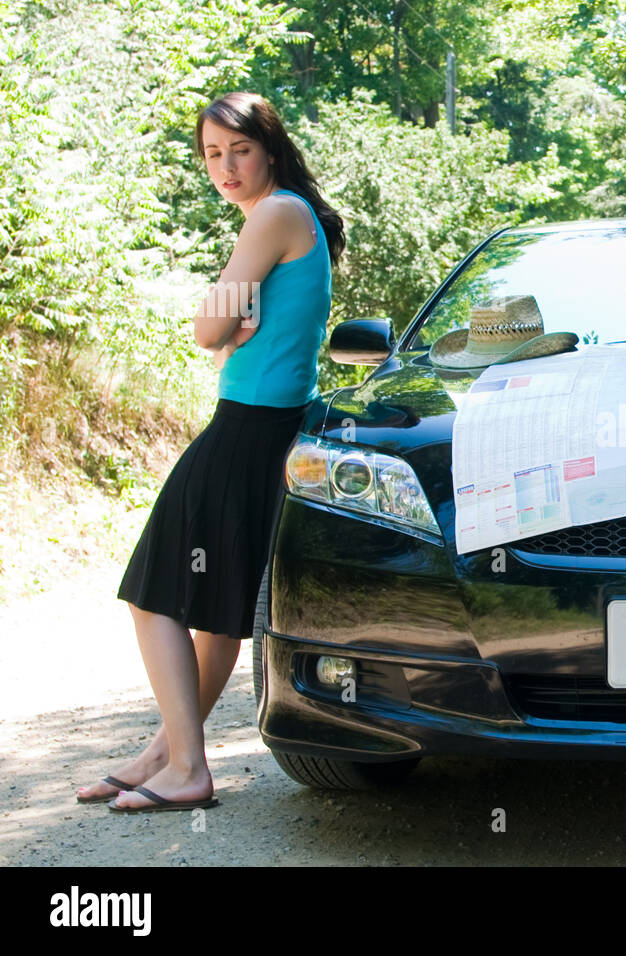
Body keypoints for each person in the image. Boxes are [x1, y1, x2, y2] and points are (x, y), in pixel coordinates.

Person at [75, 91, 344, 812]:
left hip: (246, 426)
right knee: (220, 609)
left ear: (271, 150)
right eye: (212, 154)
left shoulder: (276, 213)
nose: (224, 167)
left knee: (150, 591)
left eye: (239, 151)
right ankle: (162, 754)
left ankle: (189, 766)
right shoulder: (293, 215)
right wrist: (233, 313)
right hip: (273, 428)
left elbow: (205, 329)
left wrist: (227, 314)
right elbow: (229, 320)